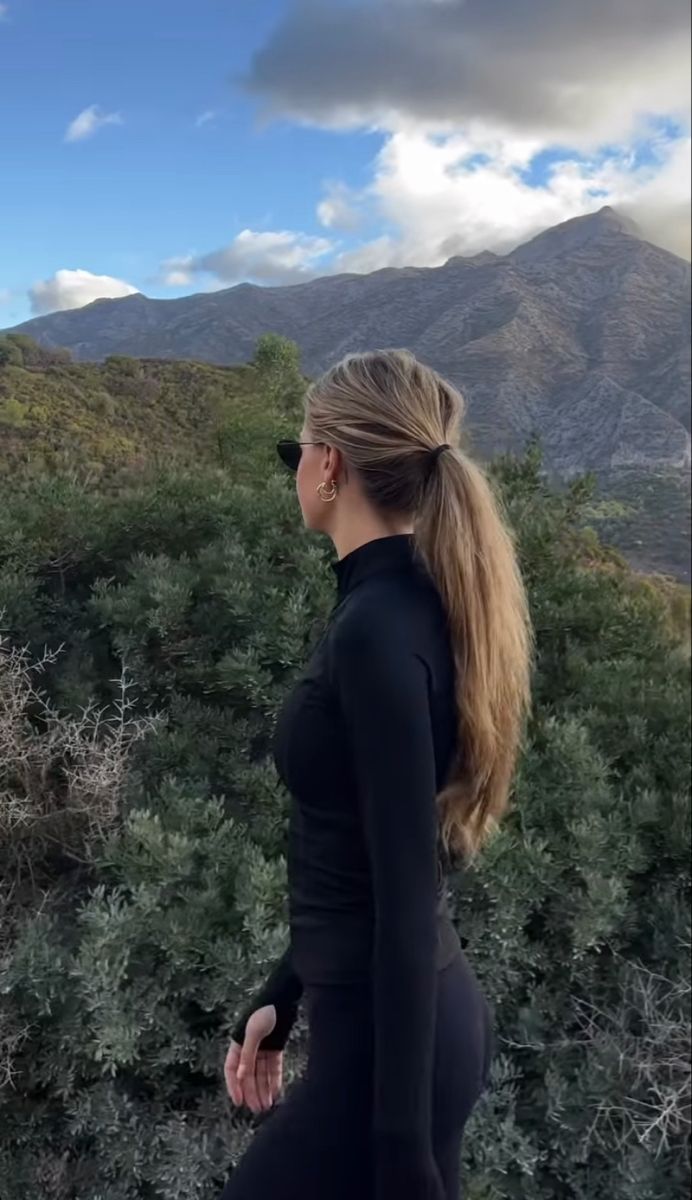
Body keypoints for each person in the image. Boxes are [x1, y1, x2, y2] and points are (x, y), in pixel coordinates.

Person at [220, 349, 532, 1200]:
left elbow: (404, 893)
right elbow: (360, 854)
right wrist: (282, 995)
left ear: (329, 466)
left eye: (301, 451)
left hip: (389, 1057)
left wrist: (399, 1149)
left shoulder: (377, 630)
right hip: (399, 1028)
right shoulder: (407, 605)